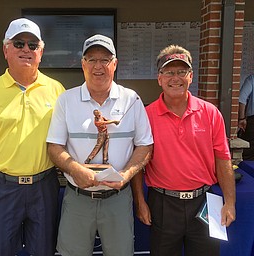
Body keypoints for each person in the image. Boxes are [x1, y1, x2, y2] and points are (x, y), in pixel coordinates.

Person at [0, 18, 65, 256]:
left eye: (32, 44)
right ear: (5, 49)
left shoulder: (57, 90)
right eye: (19, 43)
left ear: (41, 51)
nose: (26, 50)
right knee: (1, 252)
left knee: (44, 251)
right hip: (2, 188)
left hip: (44, 187)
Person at [46, 34, 154, 256]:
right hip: (78, 198)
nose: (98, 66)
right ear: (83, 65)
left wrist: (126, 174)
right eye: (91, 59)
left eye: (104, 60)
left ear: (114, 64)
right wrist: (76, 169)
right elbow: (54, 147)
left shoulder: (131, 100)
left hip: (118, 198)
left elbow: (145, 147)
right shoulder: (66, 100)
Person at [131, 45, 236, 256]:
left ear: (191, 76)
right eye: (169, 72)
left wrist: (230, 202)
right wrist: (140, 202)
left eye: (181, 72)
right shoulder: (145, 115)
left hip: (204, 202)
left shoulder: (210, 113)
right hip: (163, 203)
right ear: (159, 78)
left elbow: (223, 159)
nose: (175, 78)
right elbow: (137, 162)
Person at [238, 74, 254, 160]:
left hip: (252, 121)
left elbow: (241, 99)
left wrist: (242, 118)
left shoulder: (251, 79)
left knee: (248, 154)